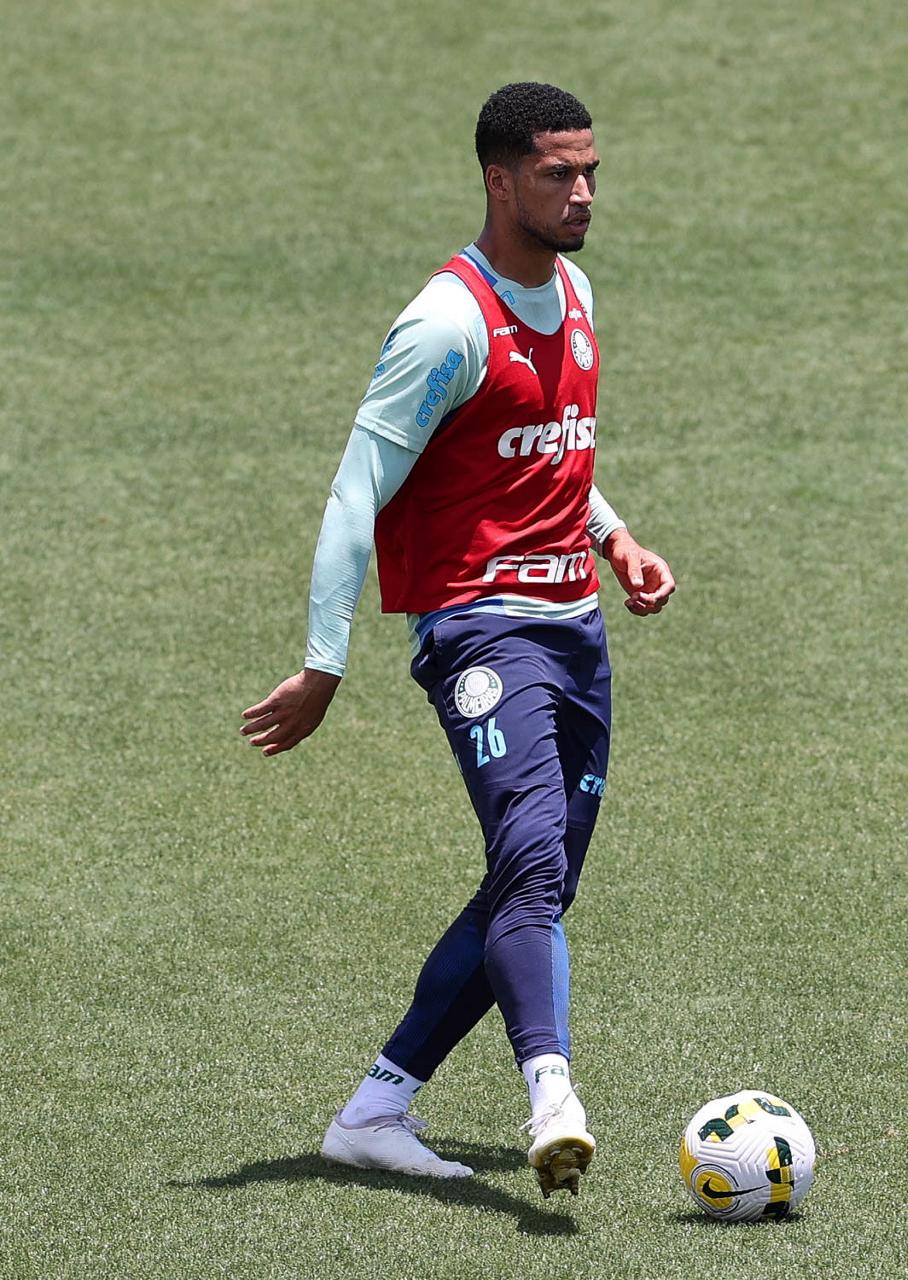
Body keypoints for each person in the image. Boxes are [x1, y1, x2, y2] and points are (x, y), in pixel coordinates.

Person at [240, 81, 675, 1199]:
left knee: (536, 882)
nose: (582, 193)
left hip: (576, 630)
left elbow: (549, 450)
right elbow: (356, 490)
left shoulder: (574, 291)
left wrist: (615, 537)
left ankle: (374, 1110)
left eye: (589, 172)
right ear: (499, 179)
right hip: (479, 626)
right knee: (530, 864)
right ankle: (552, 1096)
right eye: (556, 174)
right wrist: (324, 663)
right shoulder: (447, 323)